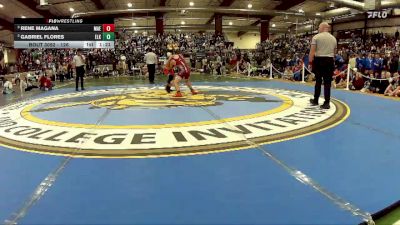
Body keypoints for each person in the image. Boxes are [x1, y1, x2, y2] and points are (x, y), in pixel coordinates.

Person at [309, 22, 337, 109]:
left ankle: (316, 100)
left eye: (319, 27)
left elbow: (312, 51)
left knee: (318, 81)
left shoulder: (316, 37)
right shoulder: (333, 38)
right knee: (327, 83)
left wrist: (310, 62)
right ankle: (327, 102)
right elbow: (334, 52)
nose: (318, 28)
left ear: (323, 27)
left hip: (319, 60)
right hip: (329, 60)